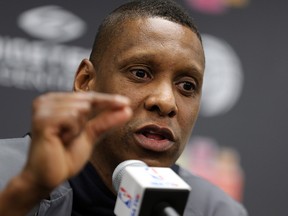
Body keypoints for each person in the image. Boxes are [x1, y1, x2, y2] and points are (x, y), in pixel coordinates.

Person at [0, 0, 248, 215]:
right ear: (86, 81)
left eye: (186, 86)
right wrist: (25, 193)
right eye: (140, 73)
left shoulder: (217, 210)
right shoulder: (7, 173)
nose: (165, 101)